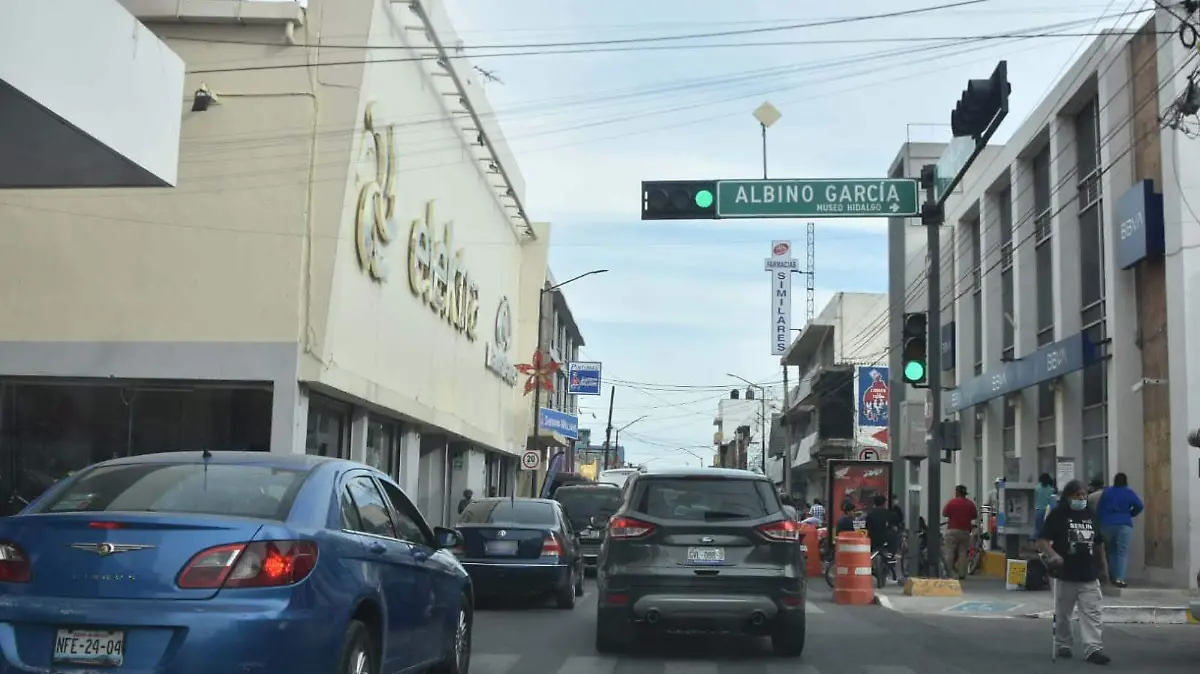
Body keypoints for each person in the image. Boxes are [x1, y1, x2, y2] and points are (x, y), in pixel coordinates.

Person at [1038, 479, 1110, 665]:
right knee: (1063, 614)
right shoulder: (1057, 515)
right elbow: (1043, 540)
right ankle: (1064, 643)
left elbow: (1098, 542)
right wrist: (1053, 555)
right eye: (1077, 495)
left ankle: (1093, 648)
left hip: (1088, 573)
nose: (1082, 498)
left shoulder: (1090, 514)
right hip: (1065, 574)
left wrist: (1104, 565)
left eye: (1084, 495)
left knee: (1092, 612)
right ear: (1068, 496)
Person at [1095, 472, 1143, 588]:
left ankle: (1112, 577)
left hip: (1107, 525)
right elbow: (1140, 505)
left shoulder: (1107, 492)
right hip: (1124, 524)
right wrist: (1130, 514)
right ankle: (1120, 578)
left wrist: (1099, 524)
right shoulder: (1128, 492)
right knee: (1122, 552)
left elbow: (1099, 510)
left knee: (1111, 551)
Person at [942, 485, 978, 580]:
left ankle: (947, 572)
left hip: (952, 530)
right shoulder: (970, 504)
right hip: (965, 531)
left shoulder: (952, 502)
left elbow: (945, 513)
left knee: (949, 551)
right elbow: (974, 516)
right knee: (963, 553)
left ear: (957, 492)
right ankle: (962, 574)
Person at [1034, 473, 1057, 539]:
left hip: (1038, 510)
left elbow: (1035, 498)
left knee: (1038, 530)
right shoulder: (1051, 490)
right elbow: (1052, 502)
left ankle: (1038, 545)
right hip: (1047, 511)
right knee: (1047, 530)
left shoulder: (1037, 488)